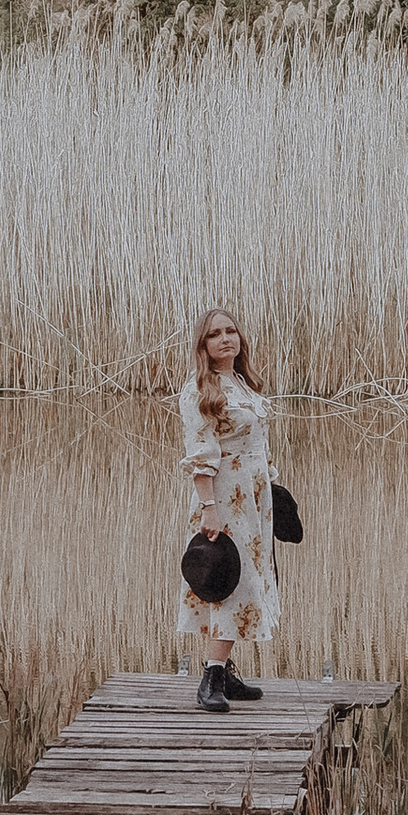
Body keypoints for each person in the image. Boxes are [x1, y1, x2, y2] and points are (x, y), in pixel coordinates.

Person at [178, 304, 278, 713]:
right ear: (204, 345)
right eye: (216, 334)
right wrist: (209, 509)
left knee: (248, 581)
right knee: (227, 581)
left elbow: (260, 442)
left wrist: (274, 486)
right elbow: (201, 454)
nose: (226, 339)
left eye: (231, 331)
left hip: (255, 497)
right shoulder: (200, 389)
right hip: (224, 495)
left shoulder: (243, 383)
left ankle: (225, 671)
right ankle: (211, 676)